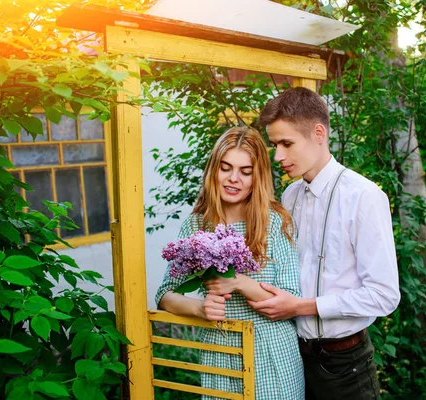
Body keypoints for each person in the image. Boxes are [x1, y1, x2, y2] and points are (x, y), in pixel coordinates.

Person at [248, 87, 401, 400]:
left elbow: (384, 296)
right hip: (292, 358)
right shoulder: (289, 196)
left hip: (346, 366)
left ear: (318, 133)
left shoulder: (365, 196)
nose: (277, 156)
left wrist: (301, 307)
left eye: (286, 143)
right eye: (275, 144)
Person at [155, 126, 304, 399]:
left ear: (256, 177)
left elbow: (292, 298)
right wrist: (199, 308)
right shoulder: (197, 226)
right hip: (220, 350)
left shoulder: (274, 222)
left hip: (270, 351)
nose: (234, 179)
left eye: (245, 172)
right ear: (215, 170)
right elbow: (165, 294)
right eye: (226, 168)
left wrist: (238, 282)